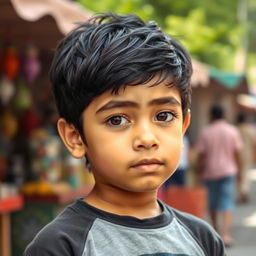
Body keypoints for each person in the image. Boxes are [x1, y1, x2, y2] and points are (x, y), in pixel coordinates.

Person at [24, 13, 225, 255]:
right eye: (117, 119)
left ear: (183, 126)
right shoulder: (60, 246)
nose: (147, 139)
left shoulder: (203, 239)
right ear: (75, 137)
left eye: (163, 116)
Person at [195, 105, 242, 248]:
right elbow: (237, 152)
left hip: (211, 172)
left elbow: (201, 155)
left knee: (213, 203)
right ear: (224, 115)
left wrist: (198, 171)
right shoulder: (232, 131)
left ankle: (216, 232)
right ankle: (226, 235)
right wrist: (238, 169)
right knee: (227, 201)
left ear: (211, 115)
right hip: (228, 170)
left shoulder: (206, 132)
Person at [236, 112, 256, 203]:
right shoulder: (250, 130)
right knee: (245, 173)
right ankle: (244, 191)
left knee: (239, 175)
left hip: (236, 155)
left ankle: (241, 192)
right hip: (247, 154)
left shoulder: (235, 130)